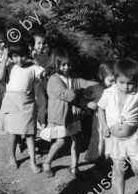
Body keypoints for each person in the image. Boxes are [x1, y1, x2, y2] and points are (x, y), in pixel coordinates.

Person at [97, 59, 138, 194]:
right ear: (116, 79)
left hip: (132, 138)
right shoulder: (109, 93)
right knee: (118, 171)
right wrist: (105, 126)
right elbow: (100, 109)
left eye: (130, 83)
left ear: (136, 81)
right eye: (122, 82)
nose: (126, 86)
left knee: (137, 167)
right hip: (115, 141)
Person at [40, 48, 98, 178]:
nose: (67, 67)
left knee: (76, 141)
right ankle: (47, 163)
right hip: (61, 117)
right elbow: (66, 95)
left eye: (68, 64)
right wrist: (80, 92)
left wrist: (100, 85)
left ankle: (74, 167)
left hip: (73, 116)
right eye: (63, 64)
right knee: (60, 142)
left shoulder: (73, 78)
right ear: (56, 64)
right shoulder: (54, 80)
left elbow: (86, 83)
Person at [0, 39, 44, 173]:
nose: (19, 59)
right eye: (15, 56)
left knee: (30, 133)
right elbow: (0, 77)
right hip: (11, 102)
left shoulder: (33, 67)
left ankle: (33, 162)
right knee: (13, 132)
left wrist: (43, 64)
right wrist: (5, 58)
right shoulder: (10, 67)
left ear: (27, 54)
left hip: (27, 103)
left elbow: (44, 73)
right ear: (11, 56)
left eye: (22, 55)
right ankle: (12, 157)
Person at [82, 60, 115, 163]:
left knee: (112, 145)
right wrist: (87, 104)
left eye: (116, 81)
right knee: (100, 142)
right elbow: (82, 100)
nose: (114, 84)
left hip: (113, 121)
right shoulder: (96, 89)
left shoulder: (118, 89)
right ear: (101, 77)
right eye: (111, 81)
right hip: (99, 122)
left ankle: (110, 164)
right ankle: (99, 166)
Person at [31, 27, 50, 130]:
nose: (41, 46)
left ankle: (42, 120)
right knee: (42, 102)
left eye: (43, 43)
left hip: (46, 82)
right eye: (38, 43)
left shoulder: (46, 55)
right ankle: (41, 122)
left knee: (45, 102)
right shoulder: (31, 56)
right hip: (37, 83)